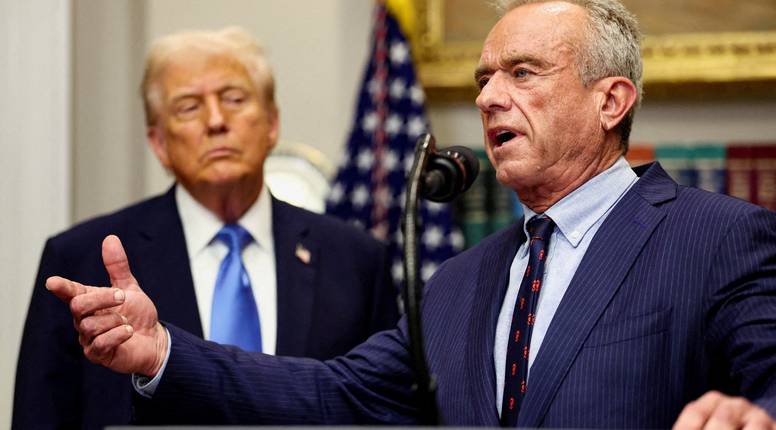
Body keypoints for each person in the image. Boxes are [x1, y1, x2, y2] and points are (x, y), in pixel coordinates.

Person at [46, 1, 776, 428]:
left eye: (523, 73)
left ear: (610, 100)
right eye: (484, 78)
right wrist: (163, 352)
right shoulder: (460, 282)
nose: (489, 97)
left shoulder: (717, 238)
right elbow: (333, 393)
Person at [14, 27, 399, 429]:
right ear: (159, 143)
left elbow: (385, 408)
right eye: (188, 107)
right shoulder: (81, 261)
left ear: (272, 123)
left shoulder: (355, 259)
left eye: (234, 99)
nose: (216, 121)